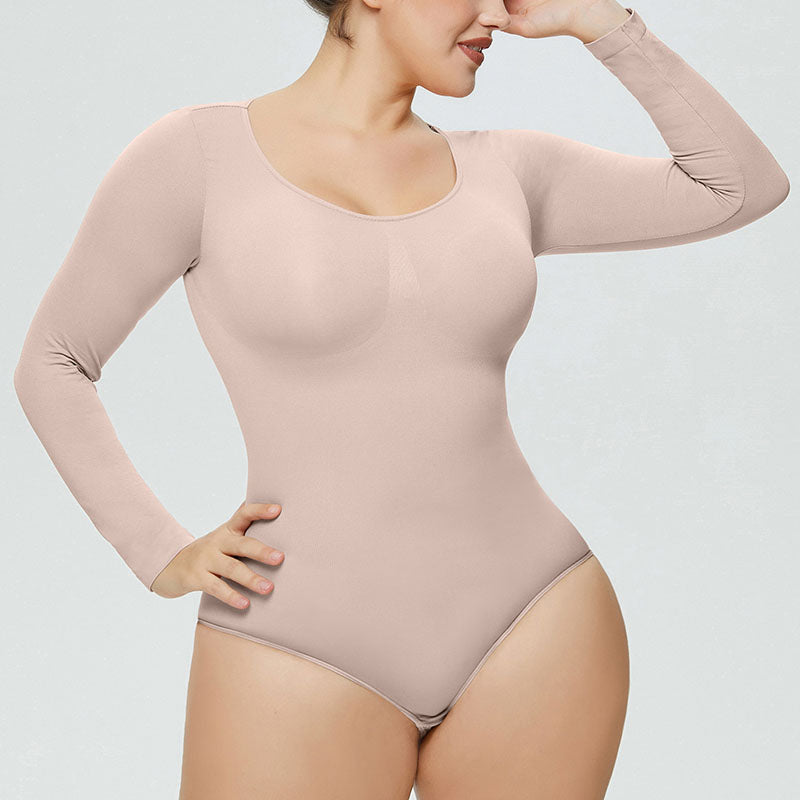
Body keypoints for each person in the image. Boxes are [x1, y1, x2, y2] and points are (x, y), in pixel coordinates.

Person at [13, 1, 789, 797]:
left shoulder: (509, 170)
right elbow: (54, 360)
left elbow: (740, 186)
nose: (495, 14)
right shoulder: (198, 157)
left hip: (536, 622)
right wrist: (158, 550)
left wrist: (603, 22)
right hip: (294, 638)